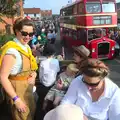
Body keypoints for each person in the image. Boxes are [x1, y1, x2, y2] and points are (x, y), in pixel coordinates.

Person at [0, 17, 38, 120]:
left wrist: (34, 75)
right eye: (24, 33)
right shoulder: (12, 51)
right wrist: (16, 99)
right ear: (16, 31)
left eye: (31, 34)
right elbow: (3, 77)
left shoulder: (26, 47)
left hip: (28, 90)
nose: (28, 37)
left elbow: (31, 68)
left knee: (30, 115)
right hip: (18, 92)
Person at [35, 43, 60, 120]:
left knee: (42, 100)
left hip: (44, 85)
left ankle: (43, 113)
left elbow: (40, 76)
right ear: (53, 52)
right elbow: (58, 70)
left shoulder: (43, 62)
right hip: (53, 85)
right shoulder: (56, 61)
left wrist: (43, 81)